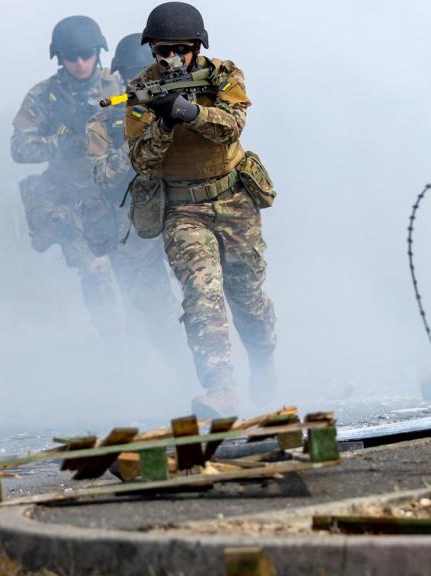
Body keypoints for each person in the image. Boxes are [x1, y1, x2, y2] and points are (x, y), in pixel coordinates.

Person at [124, 2, 279, 418]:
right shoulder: (142, 90)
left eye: (179, 50)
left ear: (196, 47)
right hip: (182, 210)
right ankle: (220, 387)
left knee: (248, 297)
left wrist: (190, 112)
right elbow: (141, 159)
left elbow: (231, 126)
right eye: (161, 51)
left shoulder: (224, 75)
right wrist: (163, 123)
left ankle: (263, 360)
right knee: (202, 294)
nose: (170, 59)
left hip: (234, 200)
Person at [10, 15, 125, 341]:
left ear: (98, 52)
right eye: (70, 57)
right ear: (58, 57)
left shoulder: (116, 87)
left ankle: (153, 355)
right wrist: (65, 142)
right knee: (96, 274)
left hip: (116, 198)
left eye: (86, 55)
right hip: (71, 200)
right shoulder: (44, 96)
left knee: (138, 282)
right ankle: (115, 353)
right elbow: (19, 148)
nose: (79, 63)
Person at [86, 33, 184, 363]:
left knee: (203, 294)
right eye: (132, 73)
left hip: (184, 213)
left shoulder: (183, 106)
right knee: (153, 307)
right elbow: (101, 177)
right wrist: (140, 142)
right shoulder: (106, 120)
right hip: (135, 224)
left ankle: (217, 369)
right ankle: (182, 372)